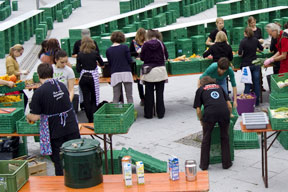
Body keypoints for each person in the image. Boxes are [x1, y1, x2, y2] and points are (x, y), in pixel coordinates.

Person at [26, 63, 80, 176]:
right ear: (52, 73)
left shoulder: (39, 92)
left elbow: (35, 117)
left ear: (39, 75)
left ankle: (62, 185)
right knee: (75, 158)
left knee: (59, 161)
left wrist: (28, 116)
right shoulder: (61, 85)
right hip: (71, 126)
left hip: (56, 131)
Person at [194, 76, 232, 170]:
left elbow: (198, 110)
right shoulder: (220, 87)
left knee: (206, 139)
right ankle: (226, 163)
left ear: (202, 83)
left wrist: (202, 120)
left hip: (209, 114)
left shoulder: (200, 89)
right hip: (224, 112)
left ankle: (204, 165)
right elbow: (229, 105)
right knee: (225, 137)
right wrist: (229, 115)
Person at [140, 29, 168, 119]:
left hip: (149, 71)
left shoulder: (145, 45)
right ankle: (160, 113)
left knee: (149, 93)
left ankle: (148, 114)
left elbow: (142, 58)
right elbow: (166, 56)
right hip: (160, 70)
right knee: (160, 93)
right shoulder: (161, 44)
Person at [76, 36, 104, 123]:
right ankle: (94, 115)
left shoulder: (79, 54)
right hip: (93, 77)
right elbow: (102, 64)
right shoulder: (95, 53)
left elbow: (77, 69)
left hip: (84, 77)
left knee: (86, 98)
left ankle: (89, 118)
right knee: (94, 97)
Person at [106, 31, 134, 104]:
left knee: (116, 96)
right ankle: (130, 112)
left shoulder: (108, 50)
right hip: (126, 72)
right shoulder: (125, 47)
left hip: (115, 73)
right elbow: (129, 60)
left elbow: (110, 63)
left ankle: (116, 113)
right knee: (129, 95)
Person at [238, 27, 263, 106]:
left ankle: (246, 102)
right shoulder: (255, 40)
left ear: (245, 33)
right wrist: (256, 50)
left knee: (248, 83)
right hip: (255, 64)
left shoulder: (242, 41)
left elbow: (239, 53)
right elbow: (261, 49)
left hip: (246, 65)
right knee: (256, 83)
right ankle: (257, 102)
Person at [5, 44, 28, 109]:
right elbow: (11, 72)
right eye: (20, 53)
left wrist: (22, 71)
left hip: (16, 82)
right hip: (12, 83)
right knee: (23, 99)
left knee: (23, 99)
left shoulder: (13, 58)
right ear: (15, 52)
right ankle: (21, 114)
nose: (21, 55)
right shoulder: (9, 59)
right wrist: (21, 73)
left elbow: (15, 69)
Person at [130, 28, 146, 106]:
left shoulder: (147, 42)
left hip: (146, 62)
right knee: (139, 82)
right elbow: (130, 53)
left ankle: (147, 97)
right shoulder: (133, 42)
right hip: (137, 63)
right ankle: (142, 98)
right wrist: (136, 53)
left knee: (147, 81)